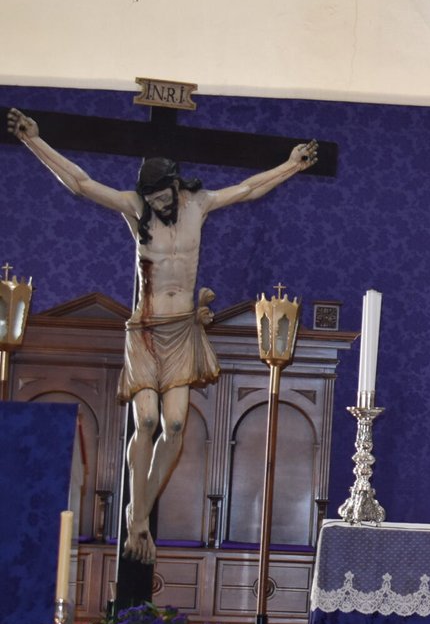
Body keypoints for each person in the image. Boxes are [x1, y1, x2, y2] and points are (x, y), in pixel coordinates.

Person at [7, 108, 316, 565]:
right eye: (151, 198)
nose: (160, 203)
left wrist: (291, 165)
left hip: (183, 329)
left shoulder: (199, 204)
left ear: (177, 186)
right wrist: (35, 140)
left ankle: (140, 509)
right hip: (147, 329)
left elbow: (249, 188)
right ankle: (135, 523)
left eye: (164, 195)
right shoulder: (136, 211)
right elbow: (81, 183)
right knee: (146, 420)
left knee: (175, 425)